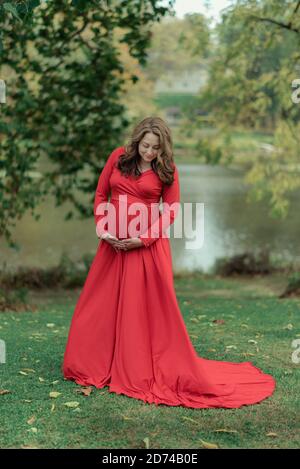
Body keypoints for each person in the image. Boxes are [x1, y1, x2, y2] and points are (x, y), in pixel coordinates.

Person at [62, 116, 276, 409]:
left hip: (146, 248)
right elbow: (101, 195)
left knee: (140, 310)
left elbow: (171, 210)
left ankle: (135, 367)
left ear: (163, 149)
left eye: (155, 148)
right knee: (101, 305)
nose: (148, 152)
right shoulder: (118, 157)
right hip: (112, 245)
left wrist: (144, 239)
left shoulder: (167, 169)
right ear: (137, 140)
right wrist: (104, 229)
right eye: (145, 146)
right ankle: (96, 363)